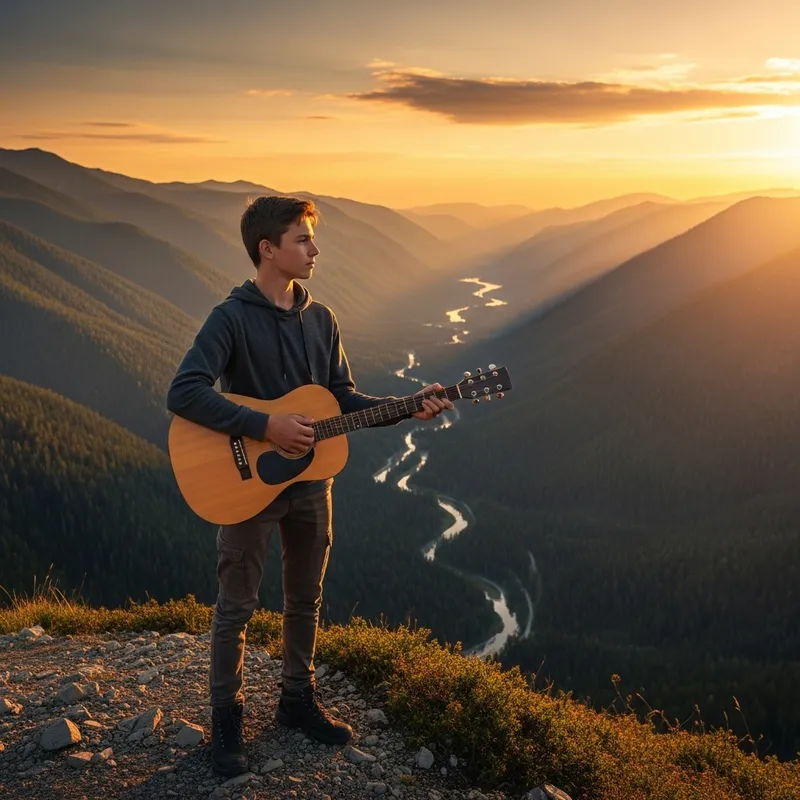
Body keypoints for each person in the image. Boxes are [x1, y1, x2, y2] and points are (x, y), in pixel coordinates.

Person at [166, 195, 453, 777]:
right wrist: (263, 424)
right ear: (267, 250)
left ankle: (297, 702)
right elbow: (185, 391)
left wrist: (405, 407)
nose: (315, 250)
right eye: (302, 240)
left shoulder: (321, 319)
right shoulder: (231, 318)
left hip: (309, 483)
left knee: (306, 600)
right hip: (246, 485)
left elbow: (340, 399)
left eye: (312, 239)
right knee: (236, 606)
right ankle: (227, 721)